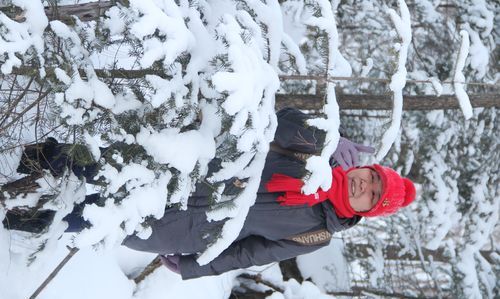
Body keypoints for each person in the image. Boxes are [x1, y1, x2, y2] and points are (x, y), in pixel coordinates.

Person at [5, 108, 416, 280]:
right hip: (184, 168)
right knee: (92, 163)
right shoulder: (321, 154)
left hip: (182, 228)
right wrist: (326, 137)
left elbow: (251, 253)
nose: (365, 186)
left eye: (373, 195)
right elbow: (275, 121)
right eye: (373, 177)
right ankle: (17, 164)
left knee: (89, 220)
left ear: (368, 210)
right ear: (366, 166)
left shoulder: (318, 232)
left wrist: (193, 267)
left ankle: (15, 214)